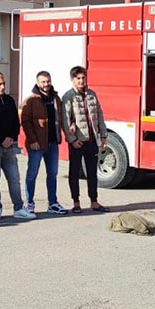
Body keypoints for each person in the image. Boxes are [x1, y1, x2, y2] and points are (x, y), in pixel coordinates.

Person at [0, 72, 34, 221]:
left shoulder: (9, 100)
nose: (2, 87)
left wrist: (11, 138)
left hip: (9, 147)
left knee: (14, 177)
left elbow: (15, 123)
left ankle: (18, 208)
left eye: (3, 83)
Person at [61, 65, 109, 213]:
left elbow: (99, 115)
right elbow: (65, 119)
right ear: (72, 79)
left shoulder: (92, 94)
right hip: (77, 142)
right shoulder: (68, 97)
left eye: (83, 78)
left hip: (92, 140)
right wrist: (72, 139)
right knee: (74, 172)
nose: (82, 81)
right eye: (78, 78)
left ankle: (94, 201)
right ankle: (76, 202)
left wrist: (103, 134)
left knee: (92, 173)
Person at [20, 71, 68, 215]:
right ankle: (29, 203)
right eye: (43, 82)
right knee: (32, 174)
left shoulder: (56, 99)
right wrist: (33, 140)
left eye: (48, 81)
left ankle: (52, 203)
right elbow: (26, 122)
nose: (46, 84)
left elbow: (61, 118)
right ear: (38, 83)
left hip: (53, 143)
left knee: (52, 174)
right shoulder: (31, 101)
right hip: (37, 144)